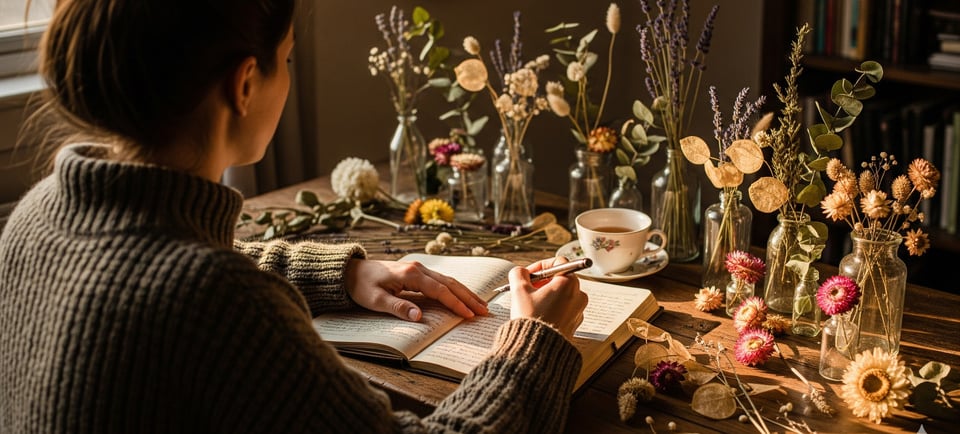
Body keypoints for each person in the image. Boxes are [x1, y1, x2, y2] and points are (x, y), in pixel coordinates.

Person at [0, 0, 590, 432]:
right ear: (246, 84)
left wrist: (343, 274)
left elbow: (154, 268)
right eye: (285, 58)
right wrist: (534, 341)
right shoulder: (219, 305)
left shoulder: (36, 215)